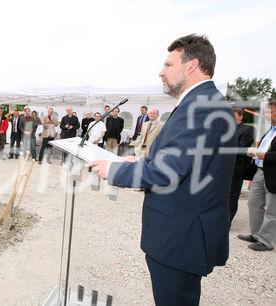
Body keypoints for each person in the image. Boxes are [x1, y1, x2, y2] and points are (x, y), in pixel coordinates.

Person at [88, 34, 236, 305]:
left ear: (190, 66)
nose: (161, 72)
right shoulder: (202, 103)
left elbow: (170, 171)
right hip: (181, 233)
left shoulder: (201, 107)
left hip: (181, 237)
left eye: (168, 65)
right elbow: (184, 162)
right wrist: (140, 164)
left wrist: (115, 171)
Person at [239, 101, 276, 251]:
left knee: (272, 210)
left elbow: (270, 153)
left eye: (269, 112)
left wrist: (264, 156)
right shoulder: (271, 130)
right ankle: (256, 234)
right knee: (253, 203)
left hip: (273, 173)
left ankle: (266, 241)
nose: (266, 115)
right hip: (261, 171)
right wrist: (255, 152)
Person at [228, 108, 255, 224]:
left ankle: (226, 223)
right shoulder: (224, 129)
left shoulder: (248, 129)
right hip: (221, 169)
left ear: (240, 116)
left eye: (234, 115)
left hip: (235, 168)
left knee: (231, 197)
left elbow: (241, 149)